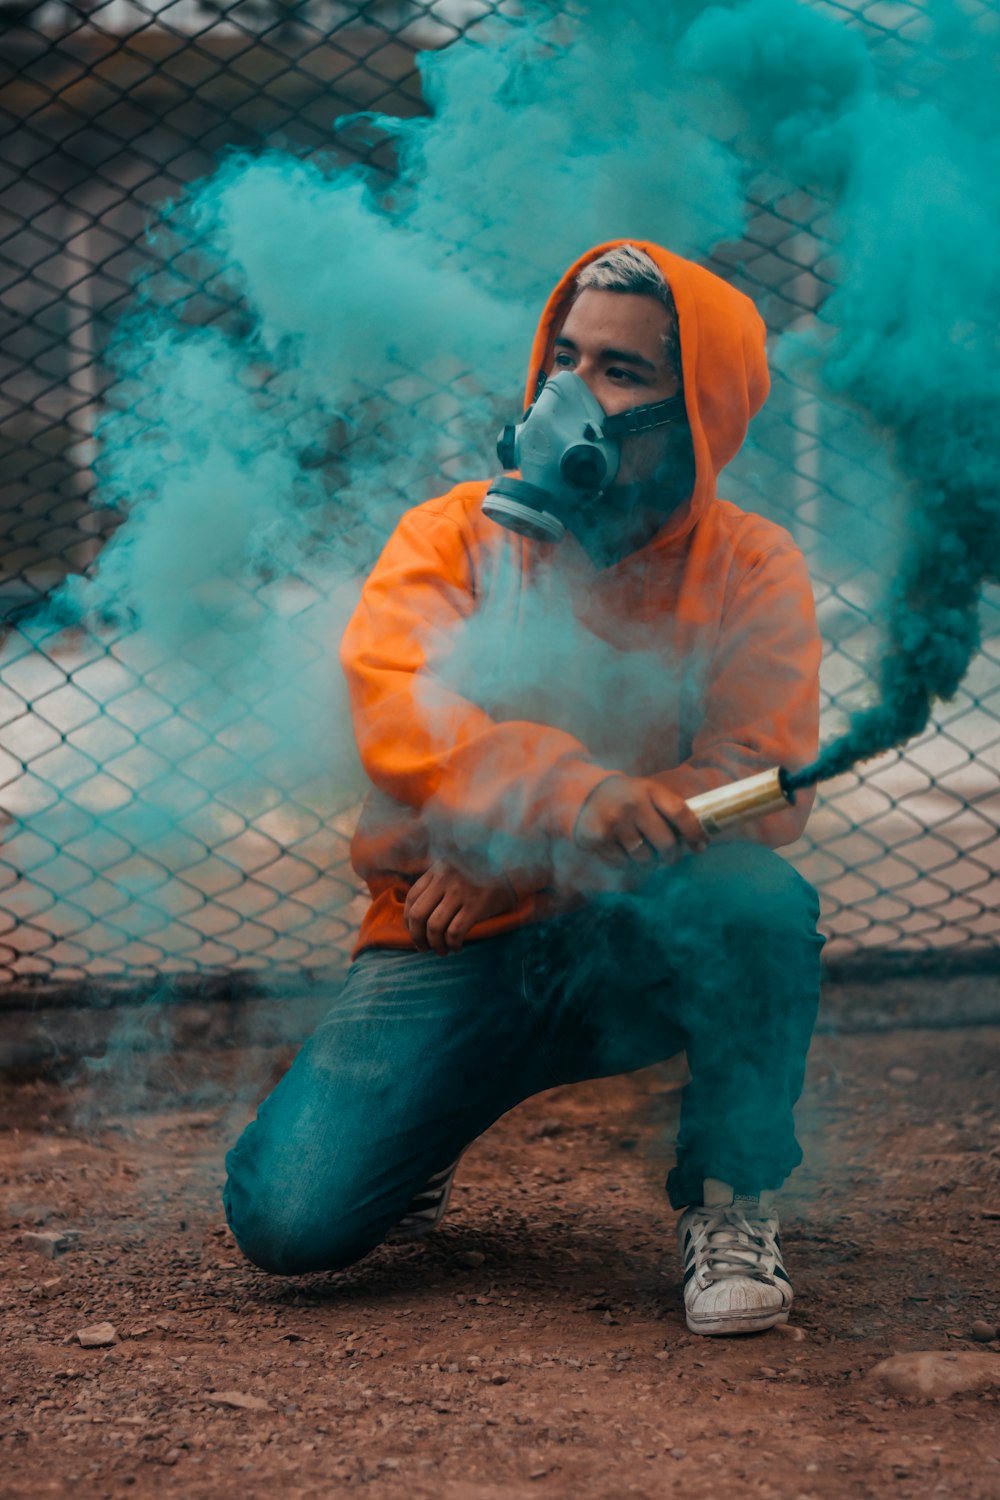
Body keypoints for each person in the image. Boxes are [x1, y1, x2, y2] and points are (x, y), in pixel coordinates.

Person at [224, 240, 825, 1336]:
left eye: (619, 372)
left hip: (613, 934)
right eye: (563, 357)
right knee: (289, 1224)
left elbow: (762, 787)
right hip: (454, 944)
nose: (569, 394)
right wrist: (573, 795)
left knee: (755, 903)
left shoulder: (751, 566)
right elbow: (400, 713)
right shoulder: (451, 535)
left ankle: (730, 1196)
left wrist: (525, 856)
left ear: (695, 409)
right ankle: (427, 1117)